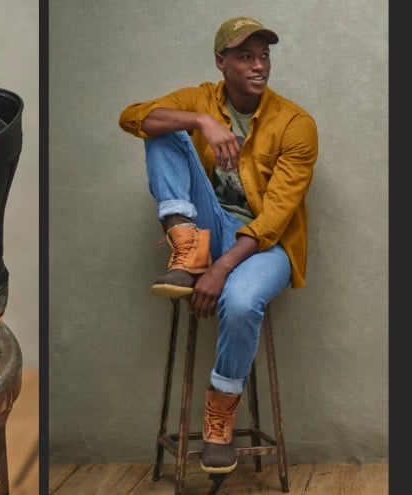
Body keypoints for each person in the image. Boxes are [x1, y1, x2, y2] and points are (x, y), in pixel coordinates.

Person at [117, 16, 318, 475]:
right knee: (160, 130)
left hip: (267, 247)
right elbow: (132, 117)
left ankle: (220, 414)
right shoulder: (202, 100)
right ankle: (186, 242)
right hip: (211, 225)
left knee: (243, 301)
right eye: (245, 56)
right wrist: (202, 121)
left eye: (263, 55)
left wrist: (220, 269)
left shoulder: (295, 124)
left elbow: (274, 219)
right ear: (221, 62)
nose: (258, 65)